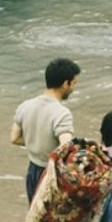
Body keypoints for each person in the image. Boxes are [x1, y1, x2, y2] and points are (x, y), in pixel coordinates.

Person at [11, 58, 79, 201]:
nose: (73, 88)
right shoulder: (62, 113)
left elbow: (14, 138)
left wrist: (36, 140)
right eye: (73, 83)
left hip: (32, 171)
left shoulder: (25, 106)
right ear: (65, 84)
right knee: (54, 215)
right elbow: (66, 149)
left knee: (34, 212)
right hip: (51, 174)